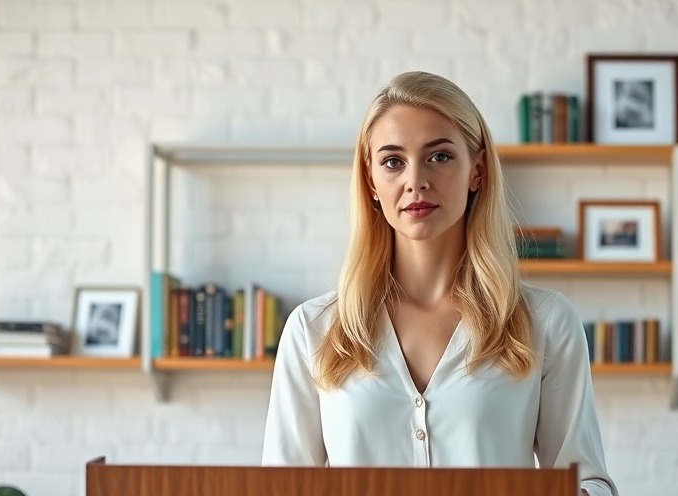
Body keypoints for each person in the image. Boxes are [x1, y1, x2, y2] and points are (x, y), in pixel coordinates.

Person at [262, 71, 618, 496]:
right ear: (371, 180)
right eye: (393, 161)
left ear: (478, 171)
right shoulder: (313, 330)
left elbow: (589, 481)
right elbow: (279, 486)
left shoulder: (545, 322)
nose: (416, 180)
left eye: (440, 156)